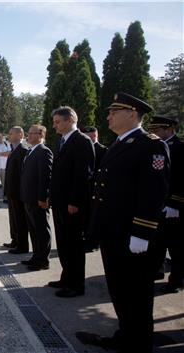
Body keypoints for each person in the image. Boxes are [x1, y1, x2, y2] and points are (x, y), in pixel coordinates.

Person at [76, 92, 170, 353]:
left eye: (113, 112)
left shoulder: (150, 145)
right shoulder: (119, 143)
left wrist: (142, 231)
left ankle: (138, 343)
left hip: (132, 235)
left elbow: (154, 192)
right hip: (112, 233)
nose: (108, 116)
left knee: (136, 294)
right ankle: (126, 336)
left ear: (132, 113)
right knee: (119, 290)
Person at [48, 107, 95, 298]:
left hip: (72, 204)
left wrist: (74, 201)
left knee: (74, 245)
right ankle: (66, 277)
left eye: (57, 121)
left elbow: (83, 174)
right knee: (64, 243)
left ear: (70, 120)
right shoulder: (63, 141)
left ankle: (76, 285)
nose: (54, 125)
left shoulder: (81, 141)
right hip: (60, 202)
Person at [148, 115, 183, 293]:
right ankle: (157, 271)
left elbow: (181, 180)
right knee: (158, 242)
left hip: (174, 207)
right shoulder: (156, 146)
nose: (153, 133)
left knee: (176, 247)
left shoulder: (180, 148)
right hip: (159, 205)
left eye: (157, 130)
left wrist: (175, 204)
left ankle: (176, 280)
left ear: (169, 129)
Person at [20, 124, 53, 271]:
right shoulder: (31, 151)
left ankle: (43, 260)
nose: (28, 135)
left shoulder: (44, 152)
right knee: (33, 230)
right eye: (29, 133)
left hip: (37, 199)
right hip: (28, 197)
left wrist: (43, 197)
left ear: (40, 135)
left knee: (41, 230)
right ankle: (36, 256)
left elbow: (45, 176)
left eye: (32, 133)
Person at [81, 126, 107, 253]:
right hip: (85, 188)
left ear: (95, 135)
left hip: (96, 189)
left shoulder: (102, 150)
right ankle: (86, 238)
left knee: (94, 216)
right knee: (85, 215)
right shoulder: (83, 149)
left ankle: (94, 242)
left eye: (90, 135)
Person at [3, 127, 29, 253]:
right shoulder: (13, 149)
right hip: (11, 191)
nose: (9, 135)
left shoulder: (23, 150)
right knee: (13, 218)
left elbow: (22, 173)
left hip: (18, 192)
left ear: (20, 134)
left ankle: (22, 245)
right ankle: (15, 240)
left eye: (11, 133)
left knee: (20, 219)